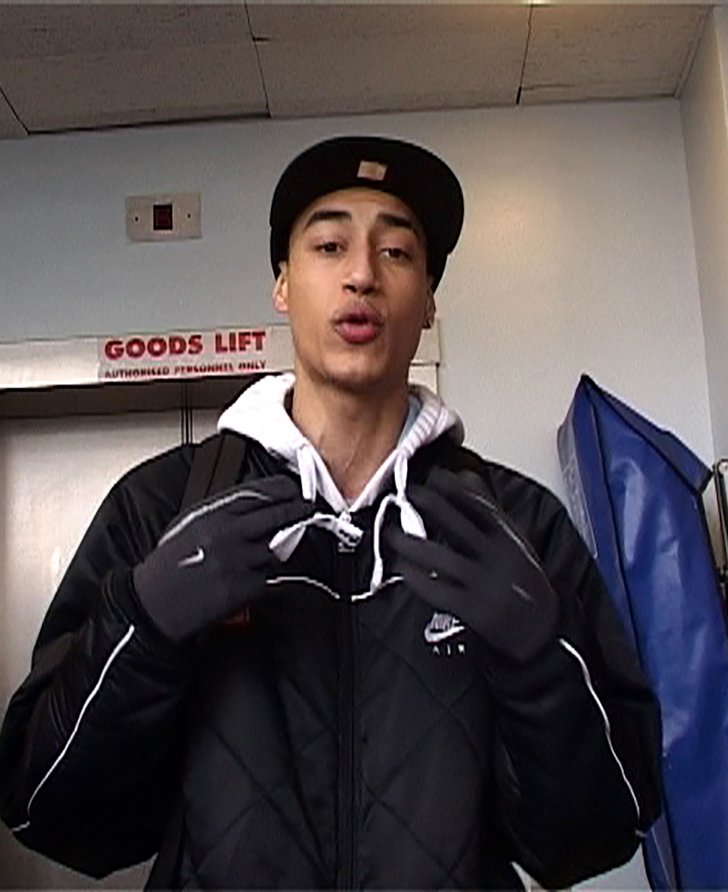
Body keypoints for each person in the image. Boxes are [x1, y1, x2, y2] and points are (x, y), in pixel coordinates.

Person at [0, 135, 661, 890]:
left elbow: (598, 837)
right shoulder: (162, 507)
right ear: (284, 284)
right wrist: (142, 629)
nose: (361, 276)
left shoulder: (514, 526)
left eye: (398, 254)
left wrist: (544, 662)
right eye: (329, 244)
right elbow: (45, 813)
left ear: (429, 299)